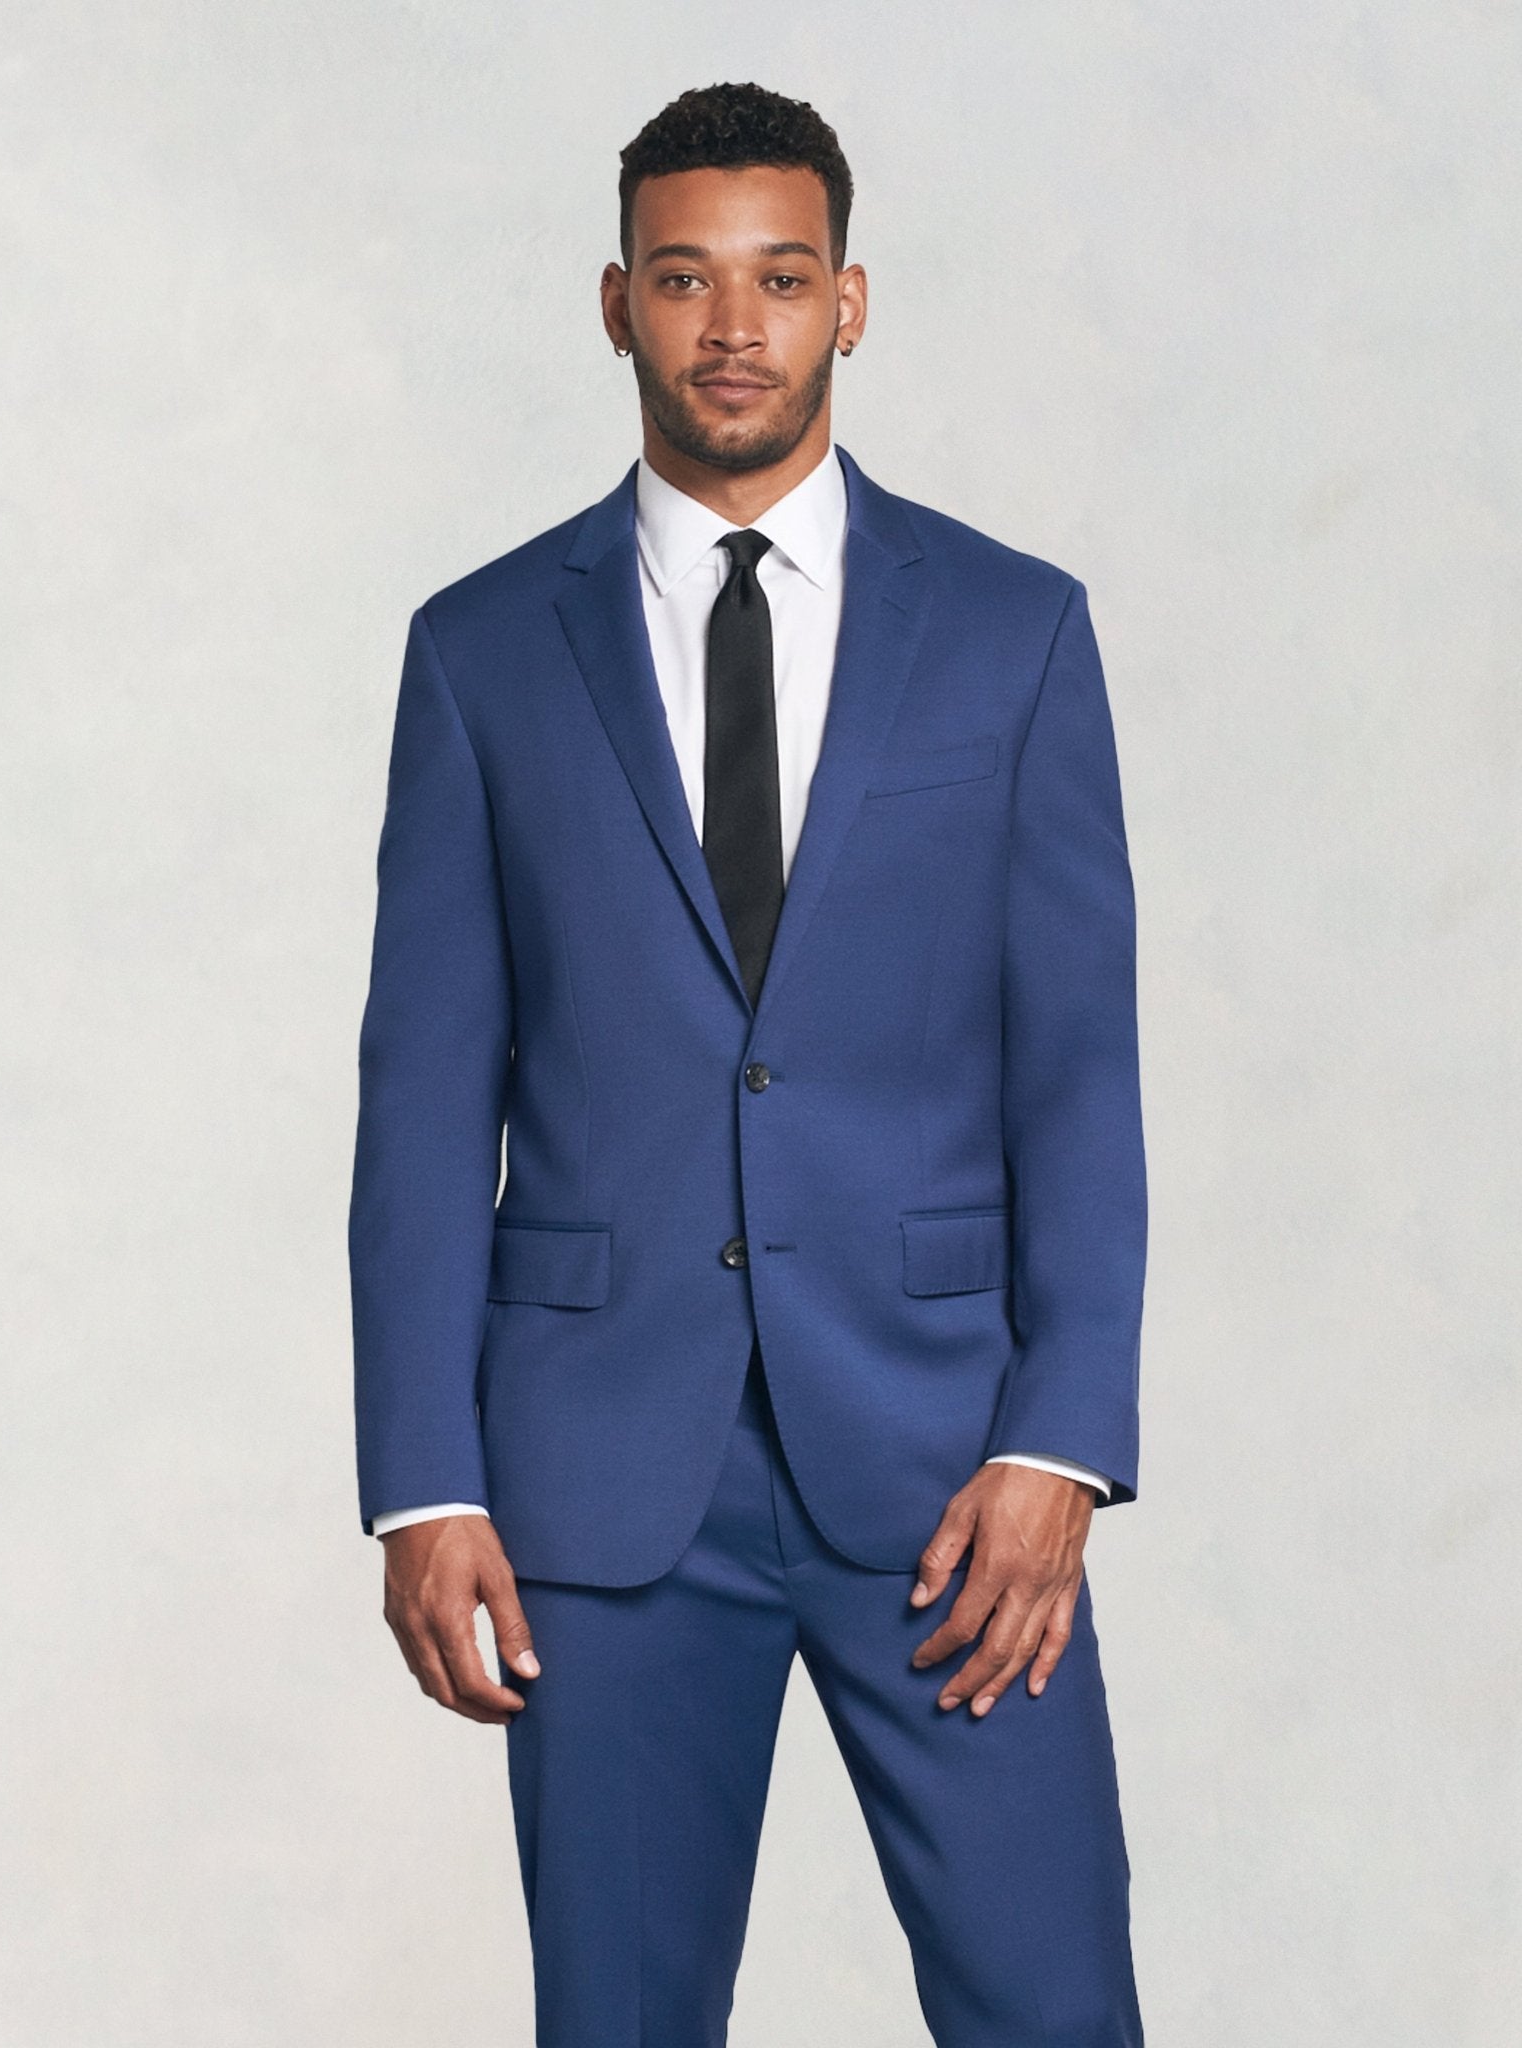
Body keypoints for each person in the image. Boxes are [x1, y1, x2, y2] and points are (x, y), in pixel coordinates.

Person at [349, 78, 1148, 2047]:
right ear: (615, 303)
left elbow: (1079, 1070)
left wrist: (1061, 1435)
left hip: (959, 1469)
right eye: (687, 278)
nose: (734, 326)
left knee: (1055, 2009)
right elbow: (426, 1101)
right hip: (601, 1484)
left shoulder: (1015, 633)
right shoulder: (479, 655)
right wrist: (420, 1478)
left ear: (849, 304)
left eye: (780, 279)